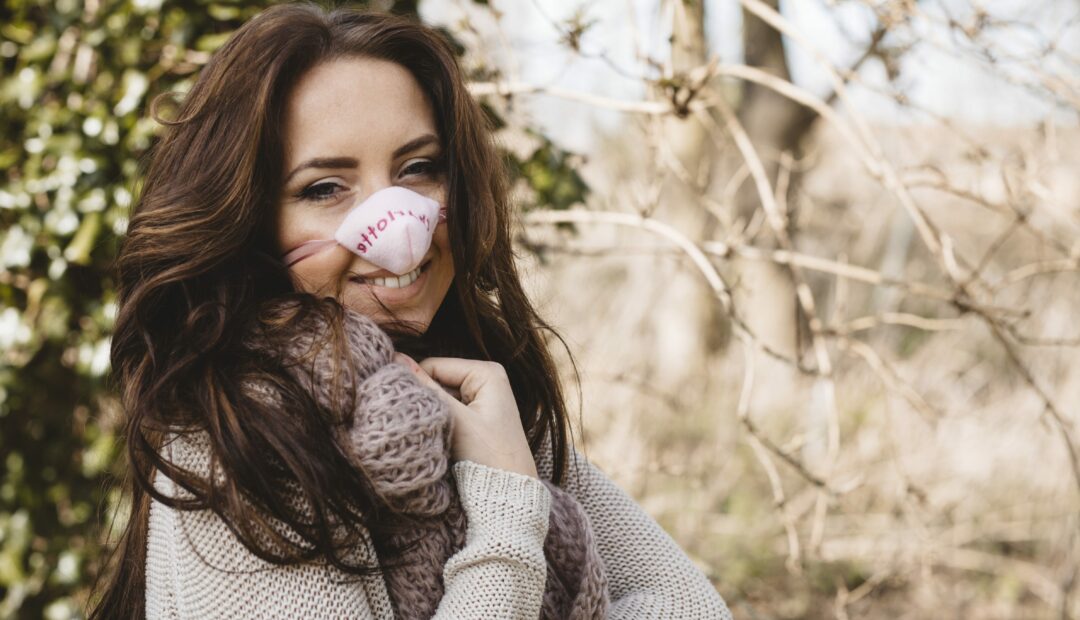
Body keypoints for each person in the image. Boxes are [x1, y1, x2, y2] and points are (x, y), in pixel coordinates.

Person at [91, 3, 732, 618]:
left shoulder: (468, 400)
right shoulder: (239, 442)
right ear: (251, 224)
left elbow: (692, 608)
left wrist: (502, 470)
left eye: (419, 168)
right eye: (324, 188)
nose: (403, 230)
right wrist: (507, 511)